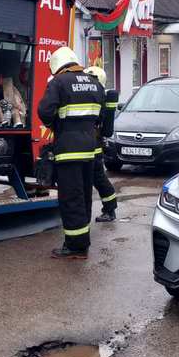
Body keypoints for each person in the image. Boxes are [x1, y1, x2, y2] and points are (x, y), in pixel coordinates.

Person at [38, 47, 105, 260]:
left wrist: (56, 124)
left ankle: (75, 246)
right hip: (89, 149)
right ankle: (82, 242)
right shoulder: (94, 82)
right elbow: (101, 114)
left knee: (70, 198)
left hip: (67, 150)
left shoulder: (58, 82)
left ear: (57, 65)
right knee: (84, 195)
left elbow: (44, 111)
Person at [84, 66, 119, 222]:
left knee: (98, 178)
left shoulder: (99, 100)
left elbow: (98, 123)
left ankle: (110, 209)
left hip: (94, 145)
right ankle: (110, 207)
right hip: (93, 143)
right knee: (98, 178)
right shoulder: (98, 97)